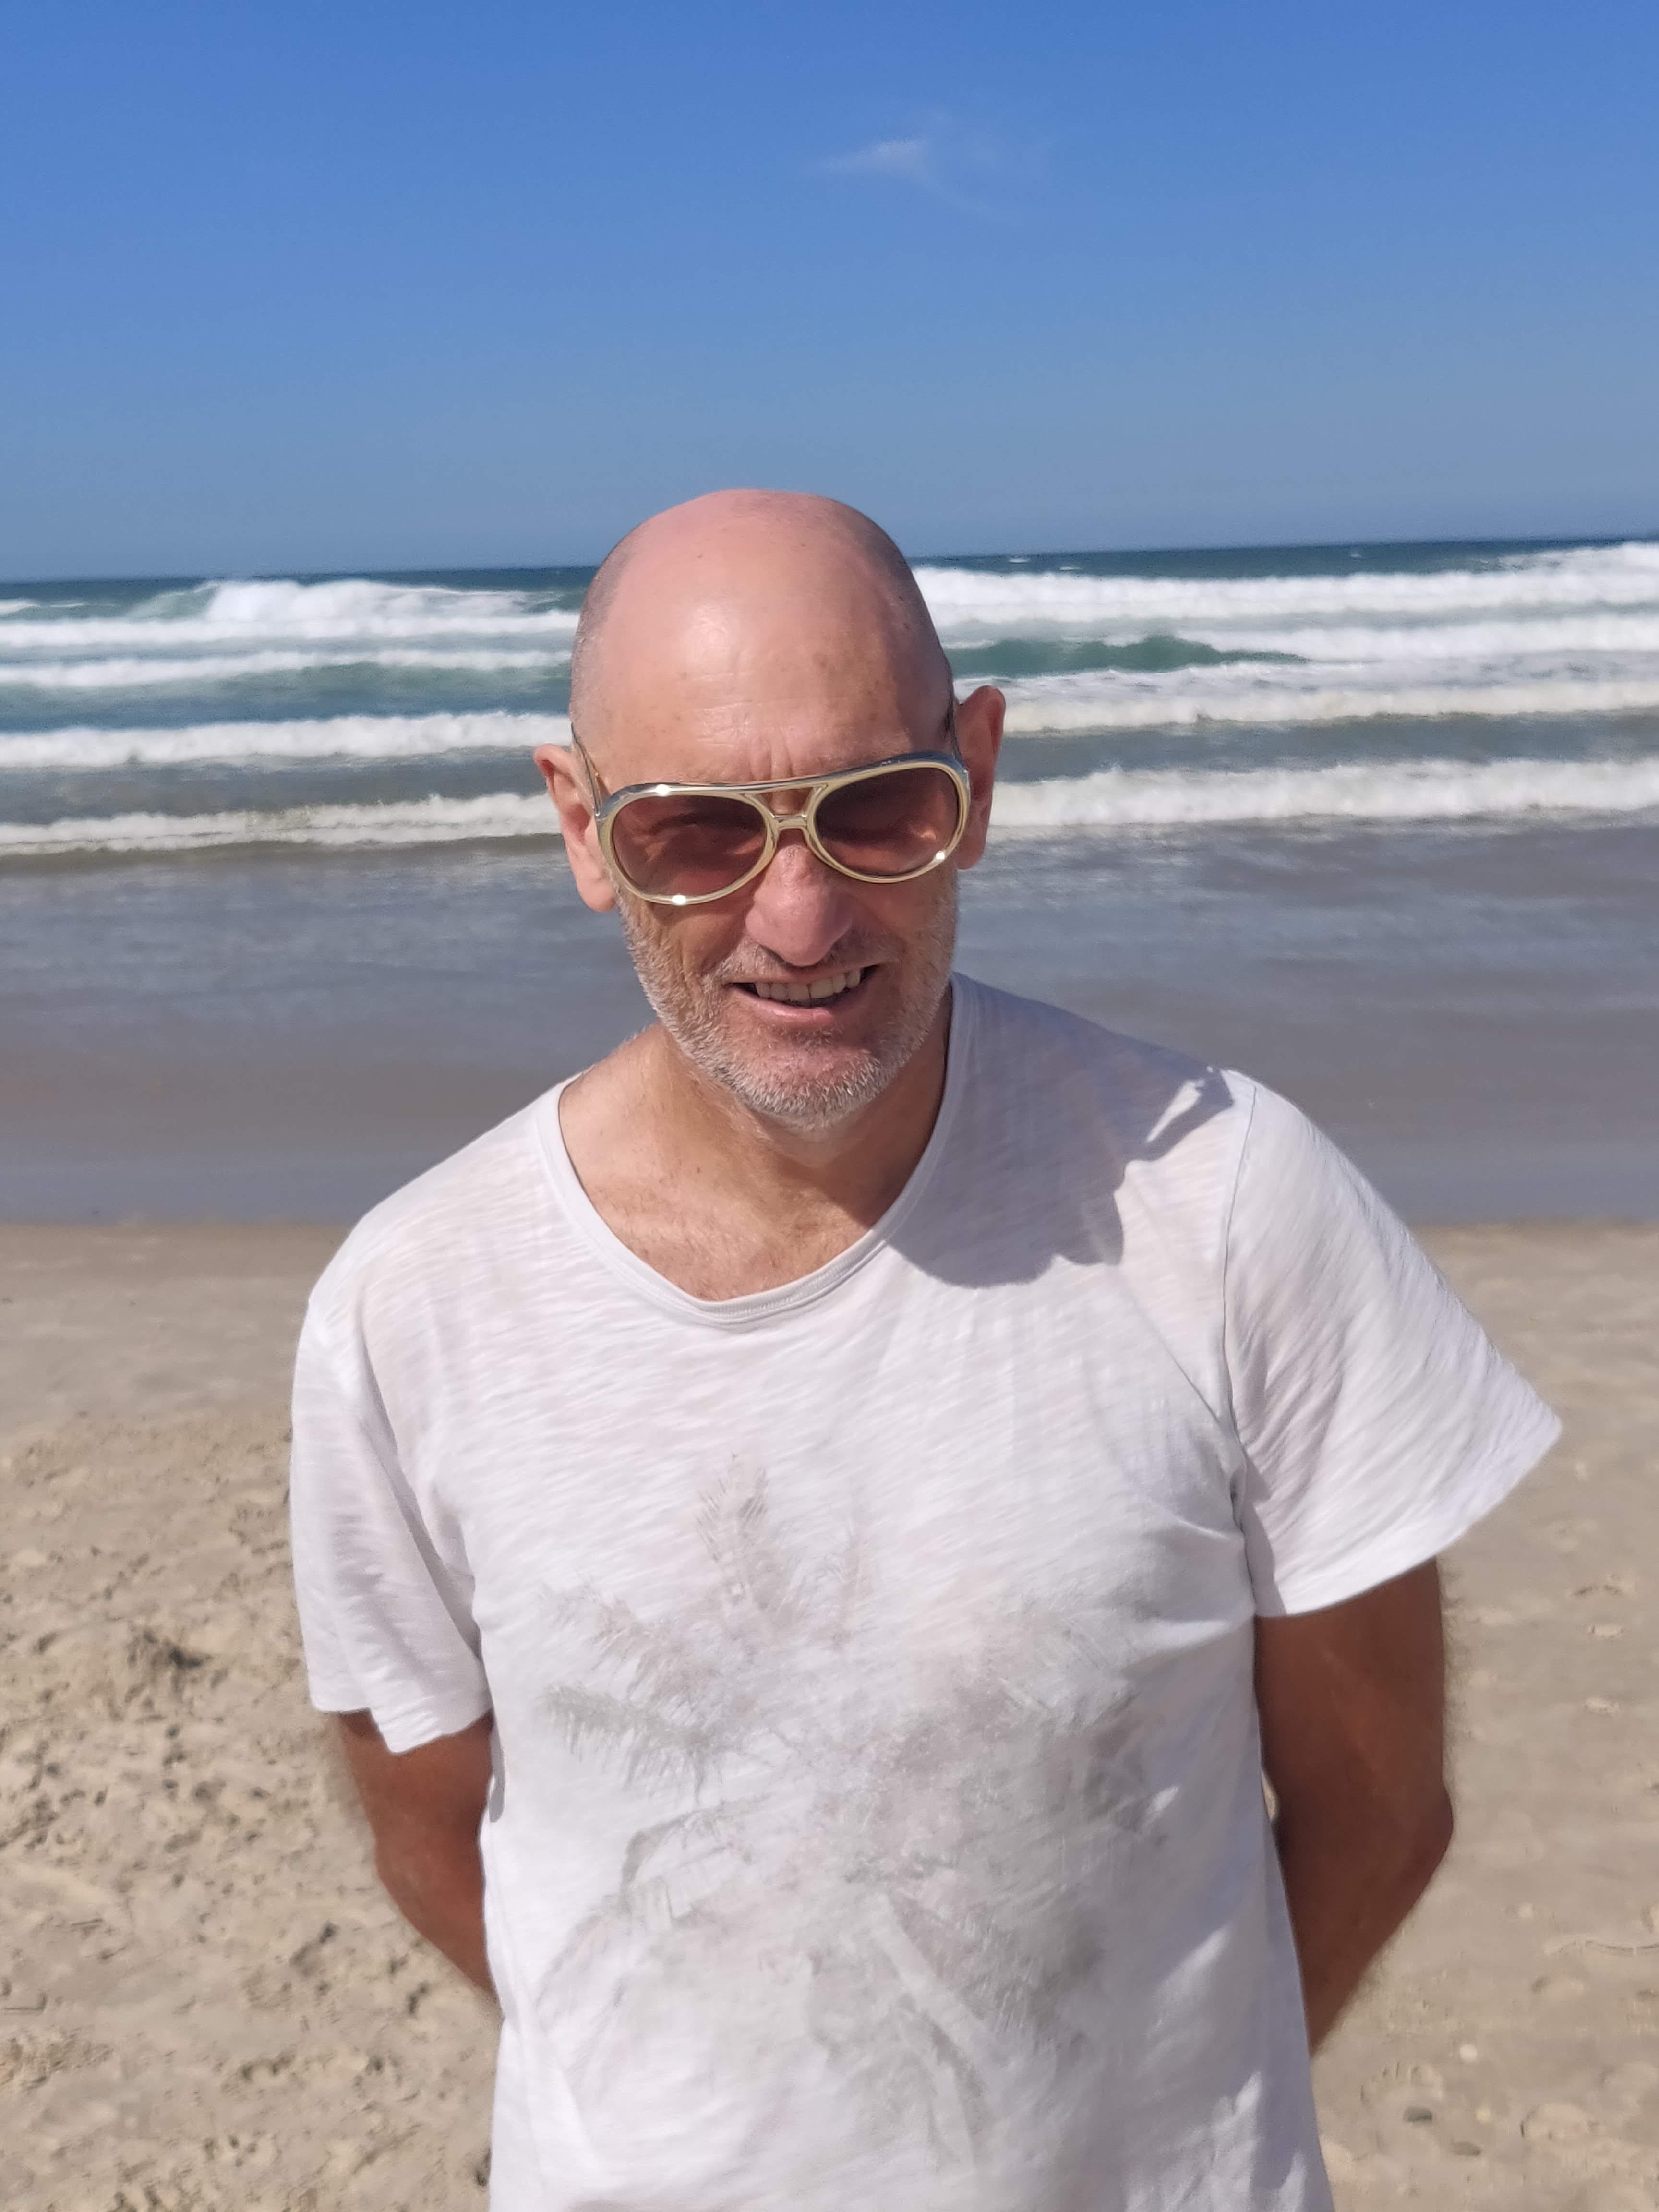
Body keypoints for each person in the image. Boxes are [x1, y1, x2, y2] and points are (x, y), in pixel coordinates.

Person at [289, 490, 1559, 2212]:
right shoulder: (410, 1309)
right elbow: (436, 1830)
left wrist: (1135, 2132)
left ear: (977, 780)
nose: (801, 919)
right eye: (696, 834)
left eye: (876, 810)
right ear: (584, 832)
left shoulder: (1229, 1202)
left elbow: (1382, 1811)